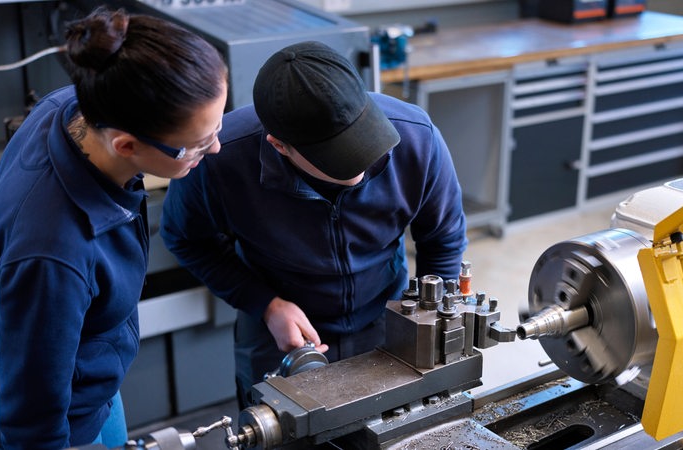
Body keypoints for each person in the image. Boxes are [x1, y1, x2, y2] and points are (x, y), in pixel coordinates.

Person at [0, 6, 228, 449]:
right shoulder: (54, 253)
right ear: (126, 144)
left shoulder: (71, 108)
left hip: (89, 388)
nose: (216, 147)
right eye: (197, 146)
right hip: (40, 423)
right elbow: (32, 417)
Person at [160, 40, 467, 407]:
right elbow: (187, 240)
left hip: (385, 314)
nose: (360, 165)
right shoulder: (221, 161)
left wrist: (429, 322)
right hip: (279, 331)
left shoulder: (416, 137)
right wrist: (267, 305)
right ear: (280, 146)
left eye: (363, 139)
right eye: (336, 155)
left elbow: (443, 239)